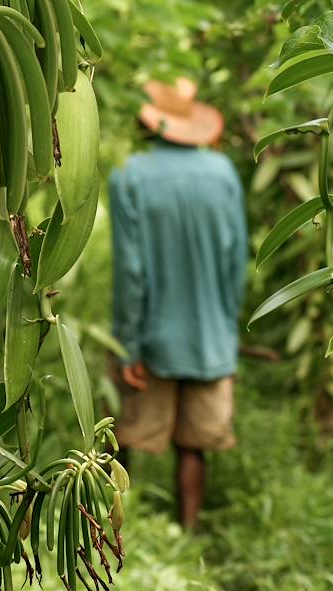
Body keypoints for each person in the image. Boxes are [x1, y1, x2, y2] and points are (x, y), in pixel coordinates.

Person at [108, 78, 248, 529]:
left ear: (146, 122)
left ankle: (111, 534)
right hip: (210, 338)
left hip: (152, 338)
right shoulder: (222, 173)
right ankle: (187, 536)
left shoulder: (128, 174)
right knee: (195, 444)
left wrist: (128, 345)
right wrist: (226, 329)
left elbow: (132, 271)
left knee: (122, 439)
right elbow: (235, 261)